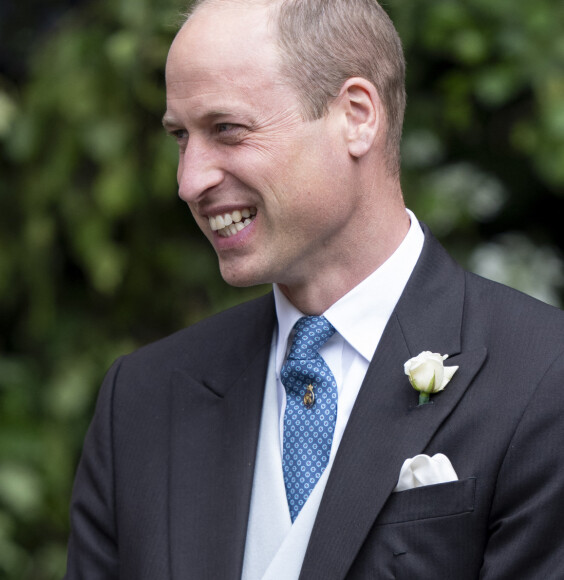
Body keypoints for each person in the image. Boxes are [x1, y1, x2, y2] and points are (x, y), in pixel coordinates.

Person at [64, 0, 564, 578]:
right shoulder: (143, 399)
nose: (189, 180)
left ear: (357, 116)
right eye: (181, 137)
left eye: (227, 129)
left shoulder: (543, 376)